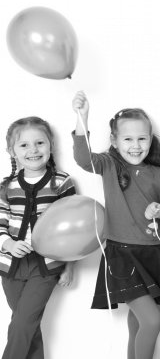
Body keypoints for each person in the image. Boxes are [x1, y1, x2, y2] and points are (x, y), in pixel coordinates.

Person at [71, 91, 160, 359]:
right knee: (152, 321)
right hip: (122, 256)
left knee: (139, 321)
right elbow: (84, 159)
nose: (136, 145)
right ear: (115, 142)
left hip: (153, 254)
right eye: (128, 139)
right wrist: (82, 120)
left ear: (151, 140)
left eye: (142, 138)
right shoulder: (109, 165)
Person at [0, 116, 76, 359]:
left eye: (40, 143)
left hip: (46, 266)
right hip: (10, 267)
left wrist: (69, 266)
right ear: (11, 151)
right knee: (27, 326)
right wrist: (8, 243)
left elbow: (73, 229)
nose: (33, 150)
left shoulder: (61, 182)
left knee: (22, 324)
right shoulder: (6, 187)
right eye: (24, 145)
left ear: (50, 145)